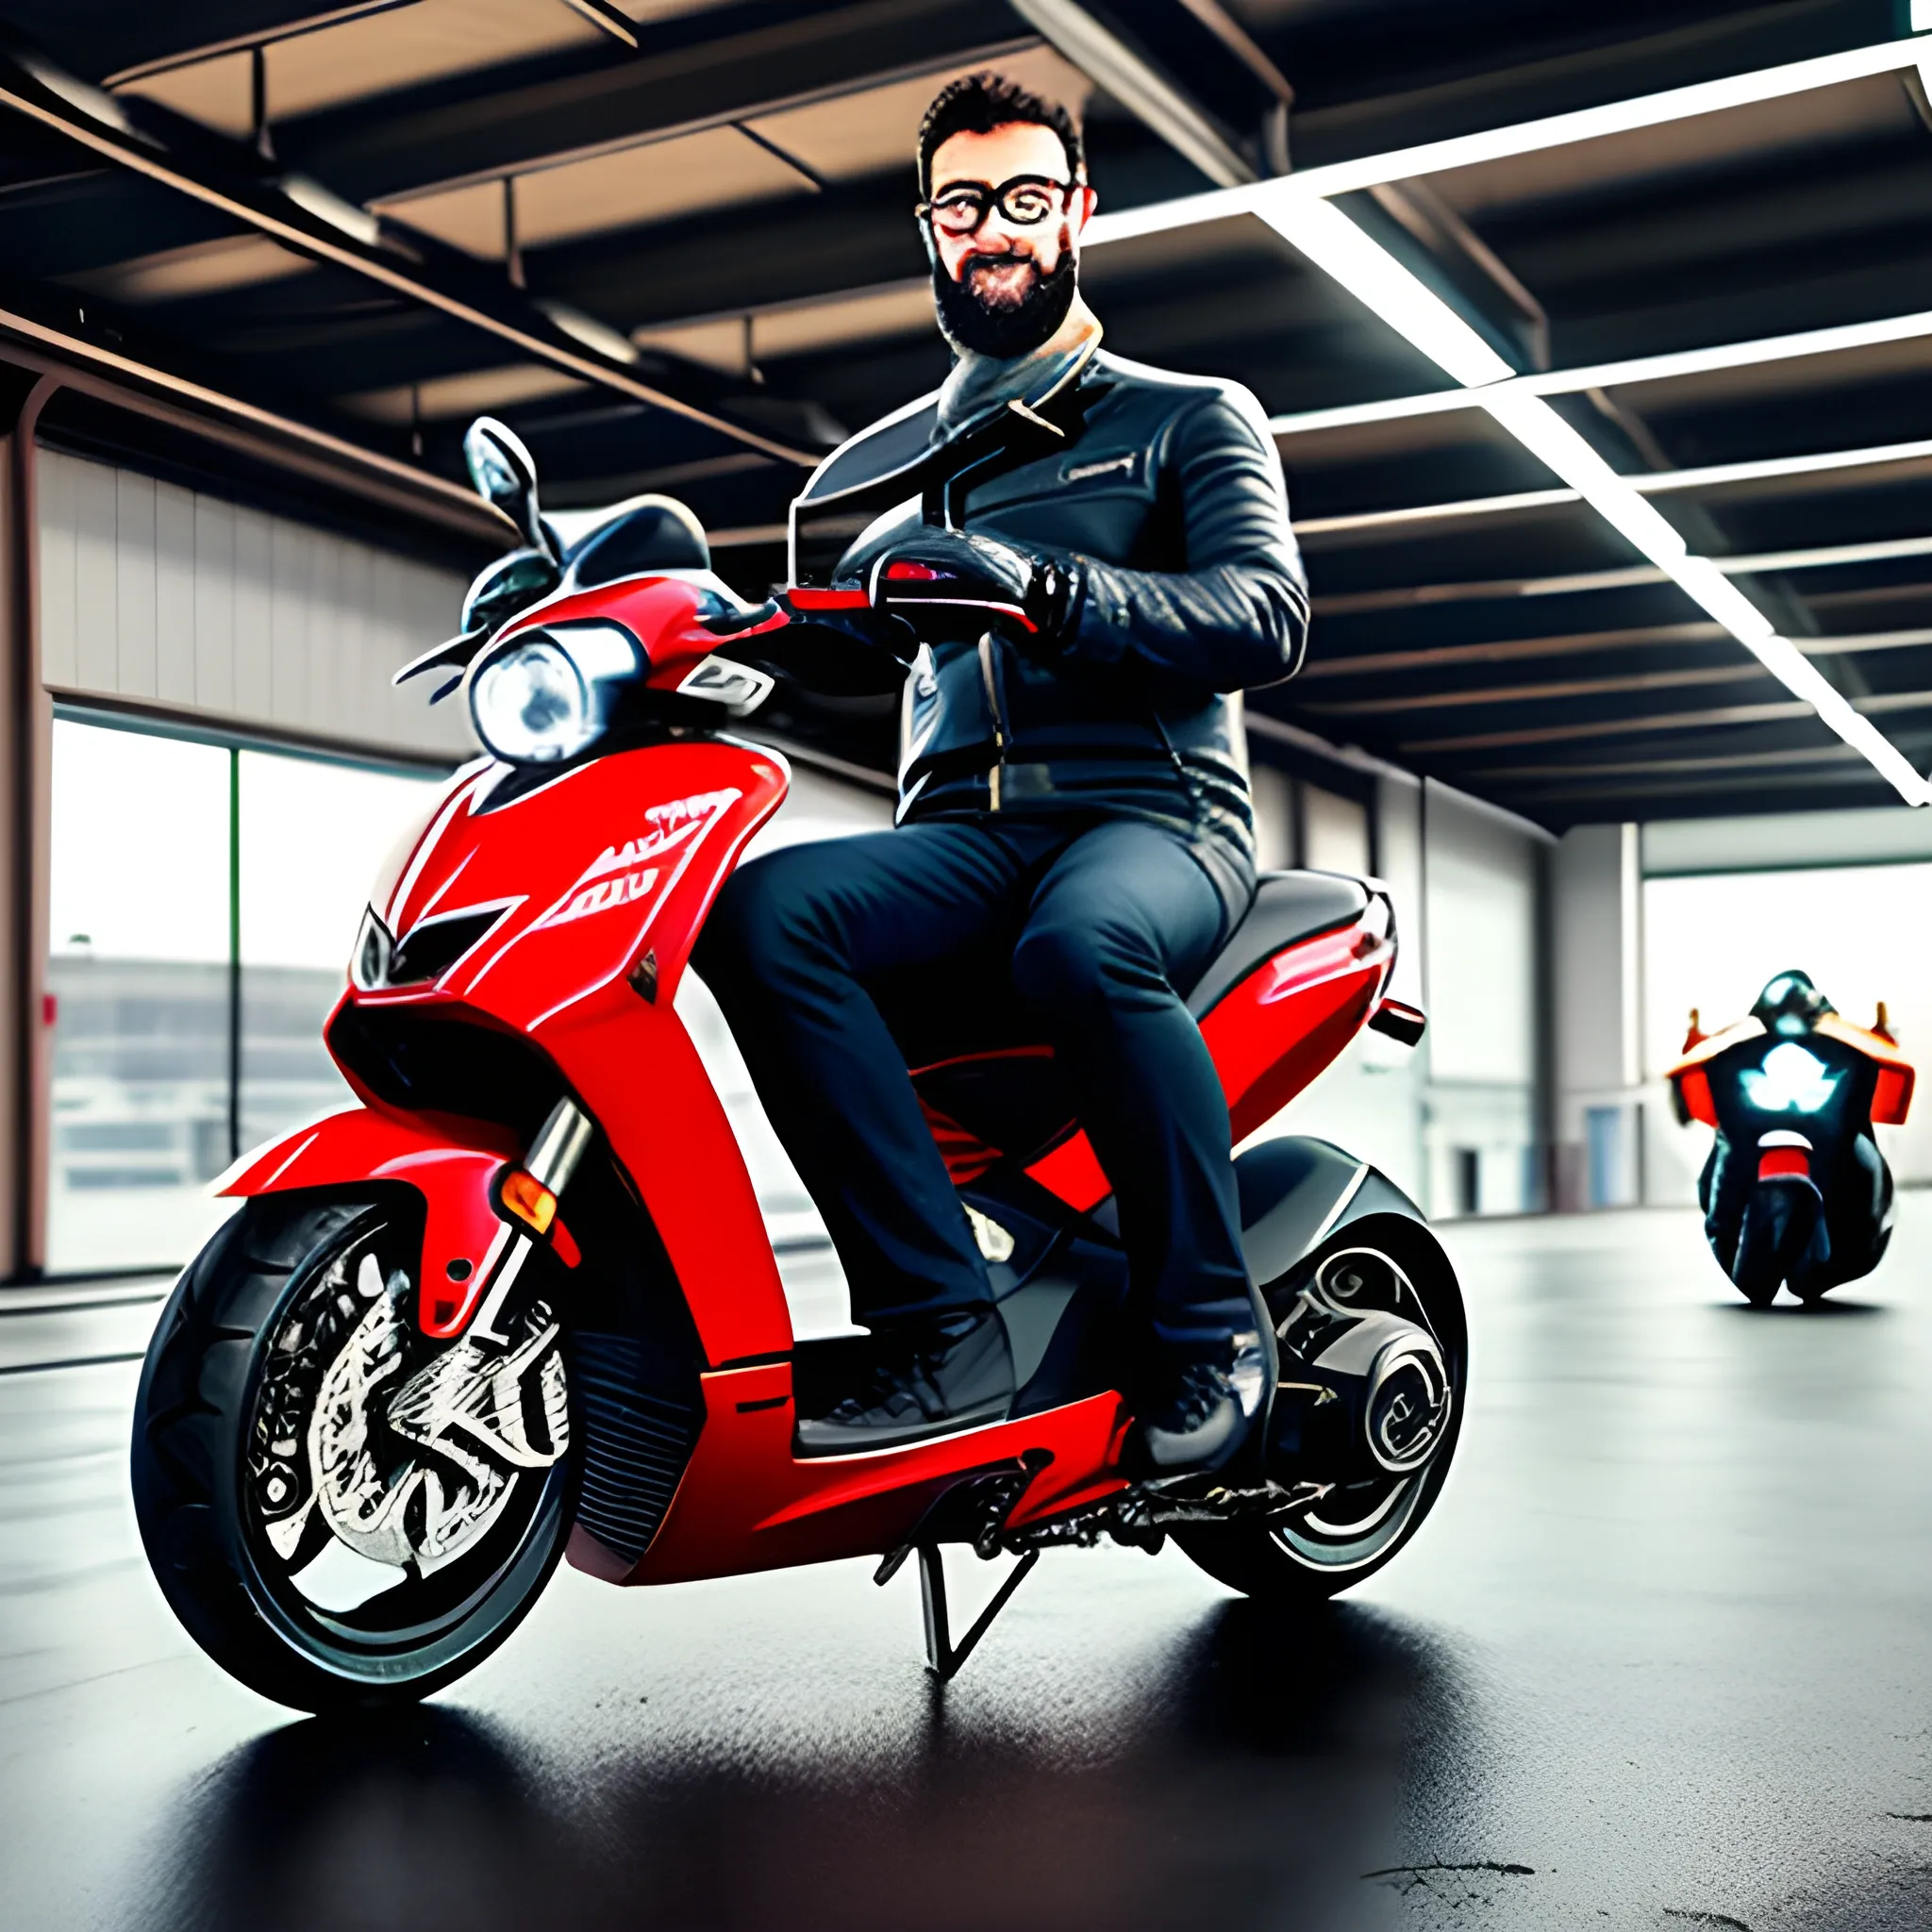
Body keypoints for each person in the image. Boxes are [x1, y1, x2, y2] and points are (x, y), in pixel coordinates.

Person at [694, 72, 1309, 1472]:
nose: (997, 231)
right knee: (758, 912)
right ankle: (943, 1328)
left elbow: (1264, 618)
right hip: (966, 839)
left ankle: (1212, 1329)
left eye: (1026, 200)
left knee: (1080, 946)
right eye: (965, 205)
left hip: (1152, 818)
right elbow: (822, 640)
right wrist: (678, 617)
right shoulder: (917, 487)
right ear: (930, 230)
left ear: (1079, 213)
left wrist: (1044, 587)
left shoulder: (1191, 416)